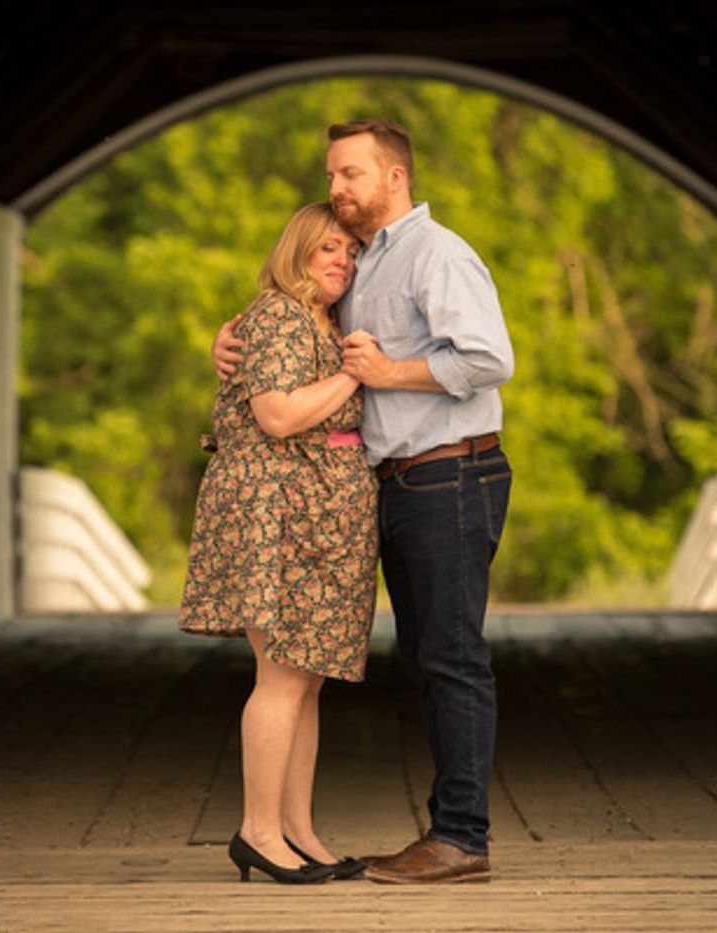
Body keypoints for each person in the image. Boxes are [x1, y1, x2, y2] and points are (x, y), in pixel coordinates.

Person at [214, 119, 514, 884]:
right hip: (390, 485)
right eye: (331, 175)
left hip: (448, 475)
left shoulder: (436, 254)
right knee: (423, 657)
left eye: (350, 174)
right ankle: (424, 833)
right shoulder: (361, 264)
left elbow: (487, 358)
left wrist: (385, 372)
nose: (336, 189)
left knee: (450, 656)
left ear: (395, 178)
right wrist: (232, 340)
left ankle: (460, 838)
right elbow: (297, 345)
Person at [181, 201, 377, 885]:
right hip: (280, 508)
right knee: (282, 675)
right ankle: (258, 830)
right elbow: (277, 412)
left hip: (318, 507)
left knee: (306, 681)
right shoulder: (278, 317)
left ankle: (297, 829)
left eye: (351, 252)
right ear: (296, 251)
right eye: (328, 248)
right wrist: (358, 373)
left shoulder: (321, 322)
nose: (342, 262)